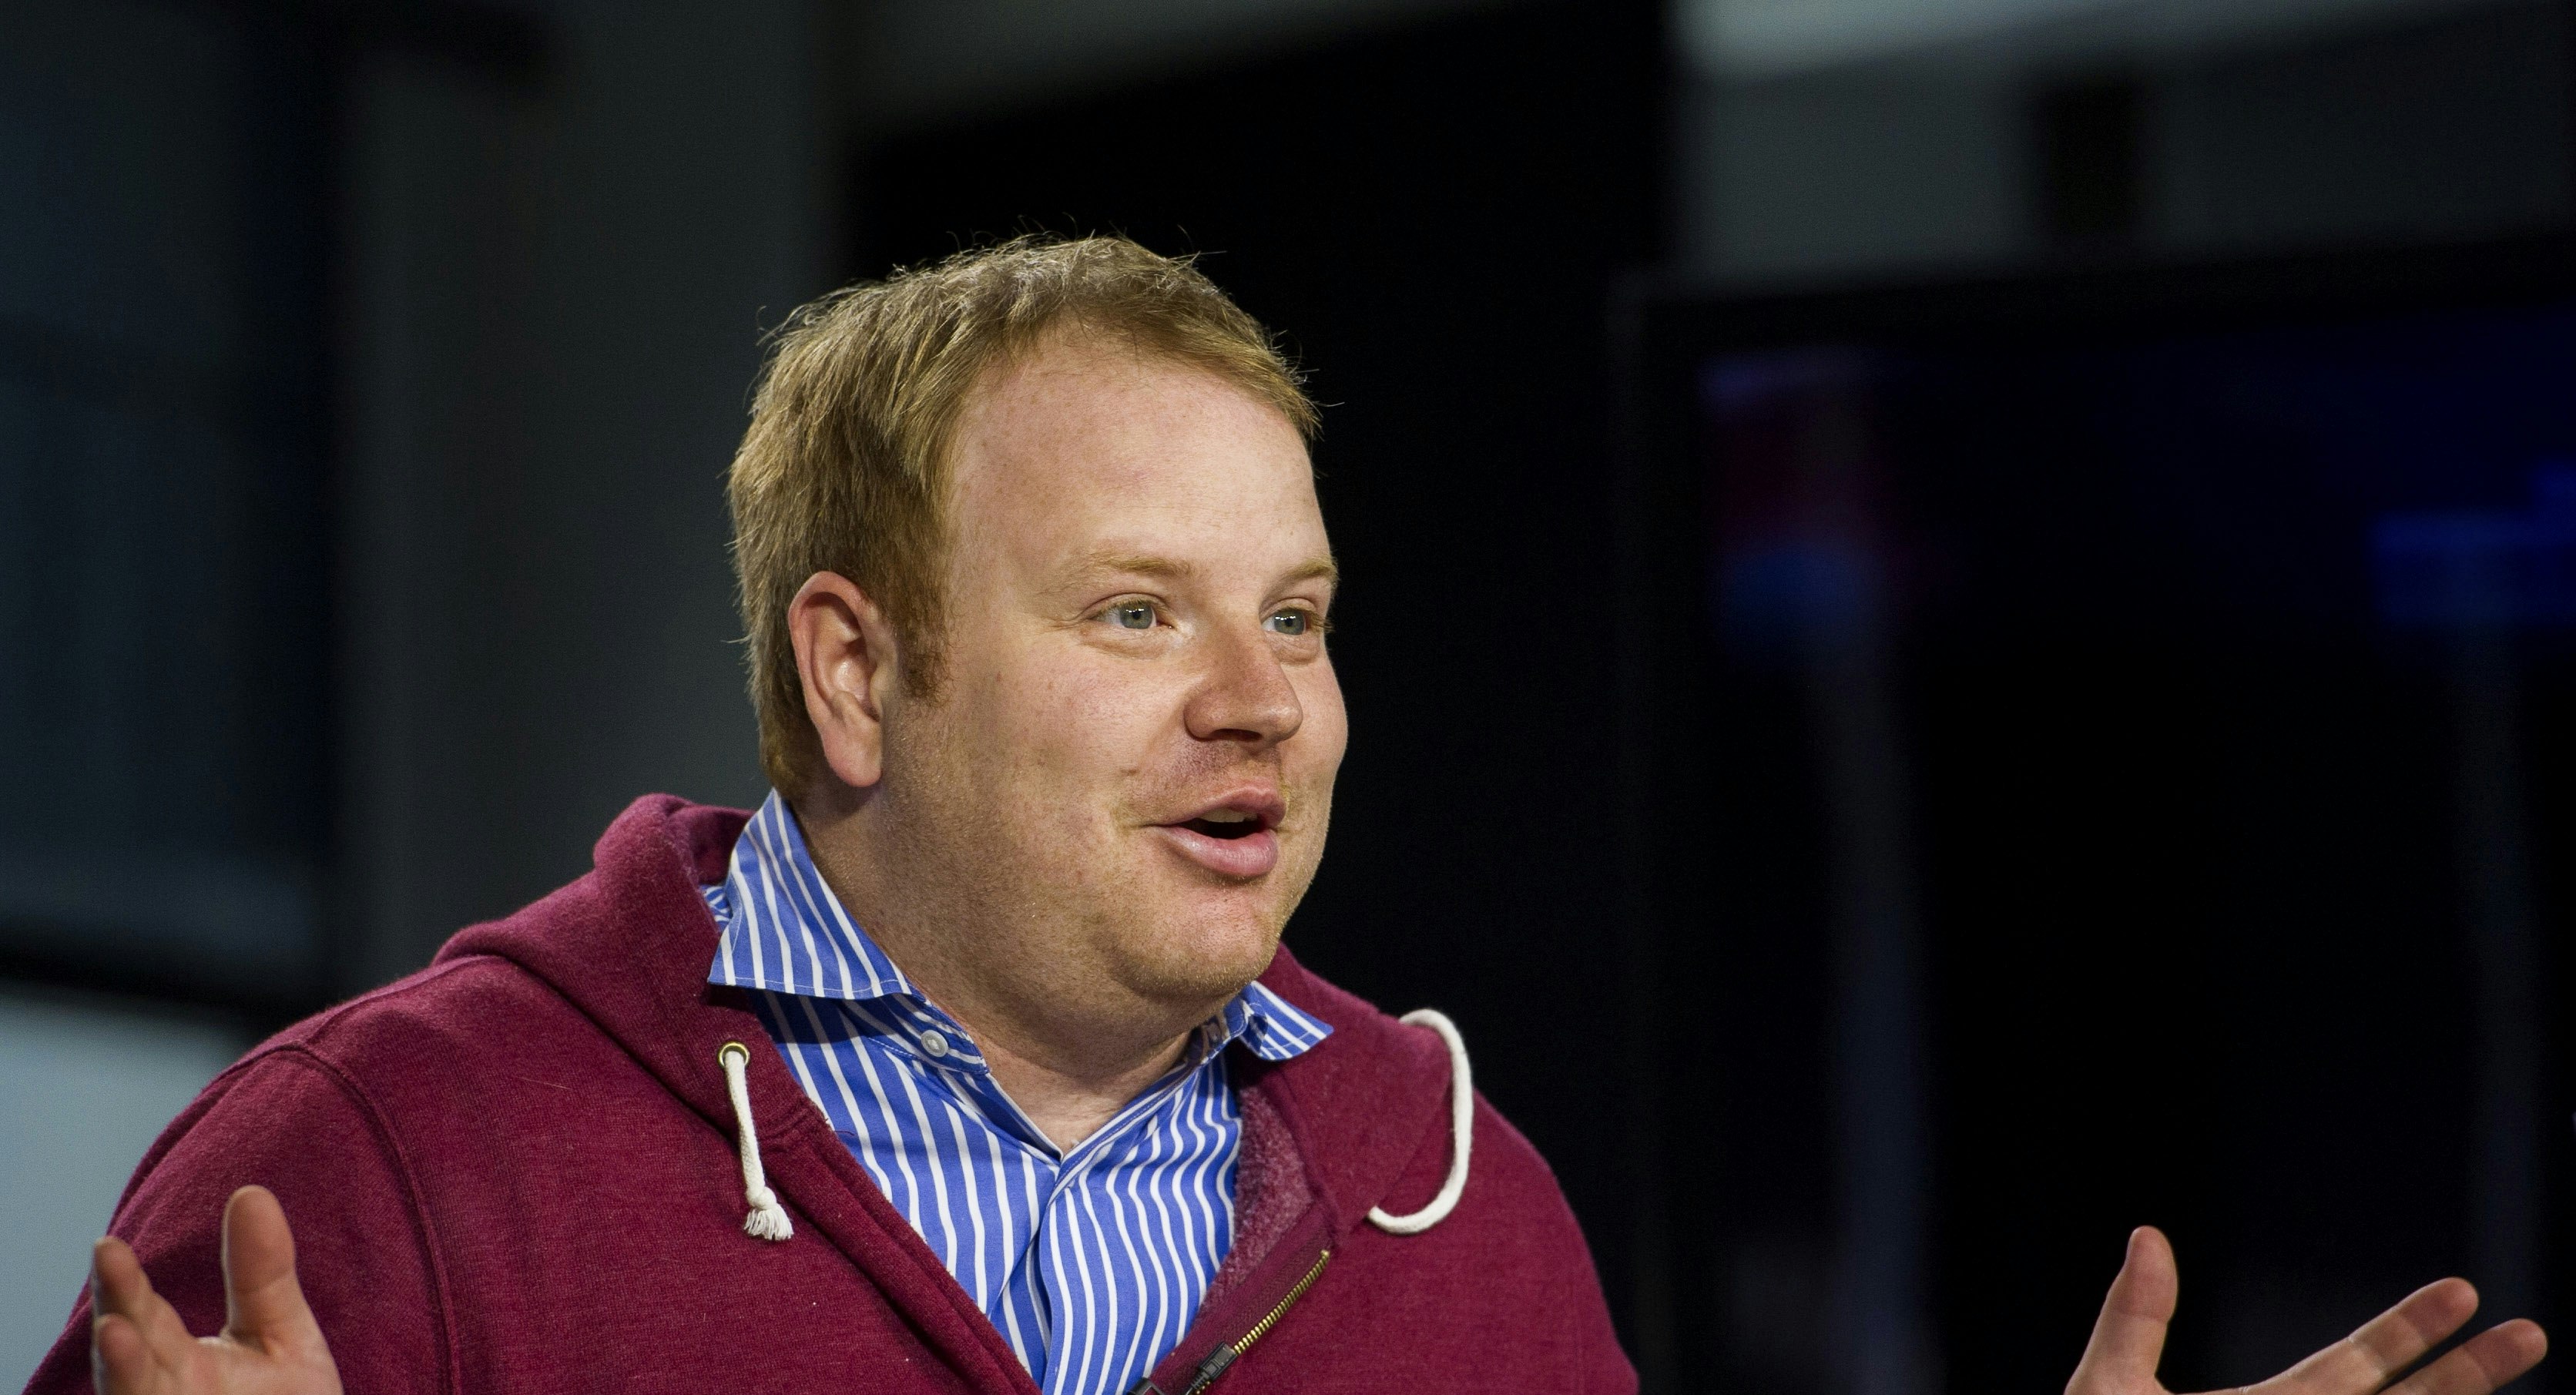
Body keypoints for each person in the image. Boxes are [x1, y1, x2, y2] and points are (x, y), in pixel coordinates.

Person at [28, 238, 2549, 1395]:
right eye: (1140, 614)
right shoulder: (381, 1174)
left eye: (1304, 615)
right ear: (855, 667)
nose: (1267, 709)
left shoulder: (1465, 1219)